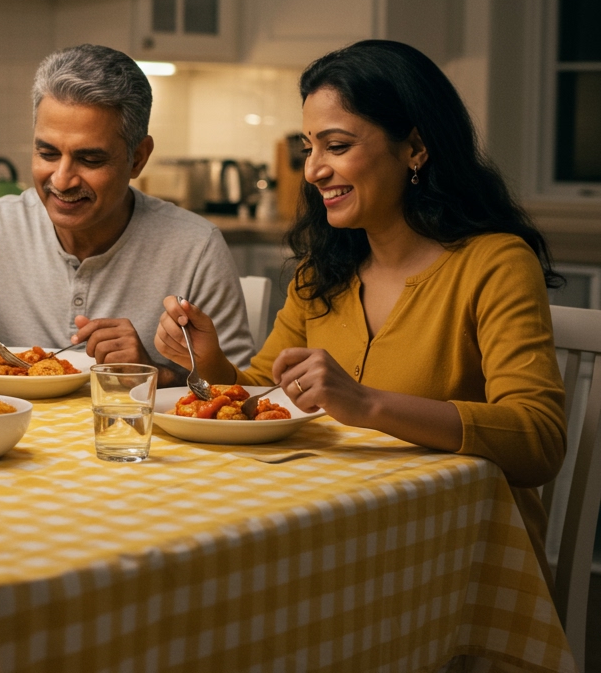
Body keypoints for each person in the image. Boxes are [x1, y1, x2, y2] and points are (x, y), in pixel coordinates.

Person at [155, 40, 566, 572]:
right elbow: (265, 394)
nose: (313, 171)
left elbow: (539, 439)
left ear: (415, 148)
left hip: (456, 552)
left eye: (337, 145)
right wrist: (208, 363)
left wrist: (368, 403)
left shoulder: (494, 264)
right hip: (333, 530)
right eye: (309, 148)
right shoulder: (323, 270)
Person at [0, 44, 254, 385]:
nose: (62, 180)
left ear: (138, 158)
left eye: (90, 158)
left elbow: (245, 393)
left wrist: (154, 372)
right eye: (47, 153)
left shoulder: (195, 248)